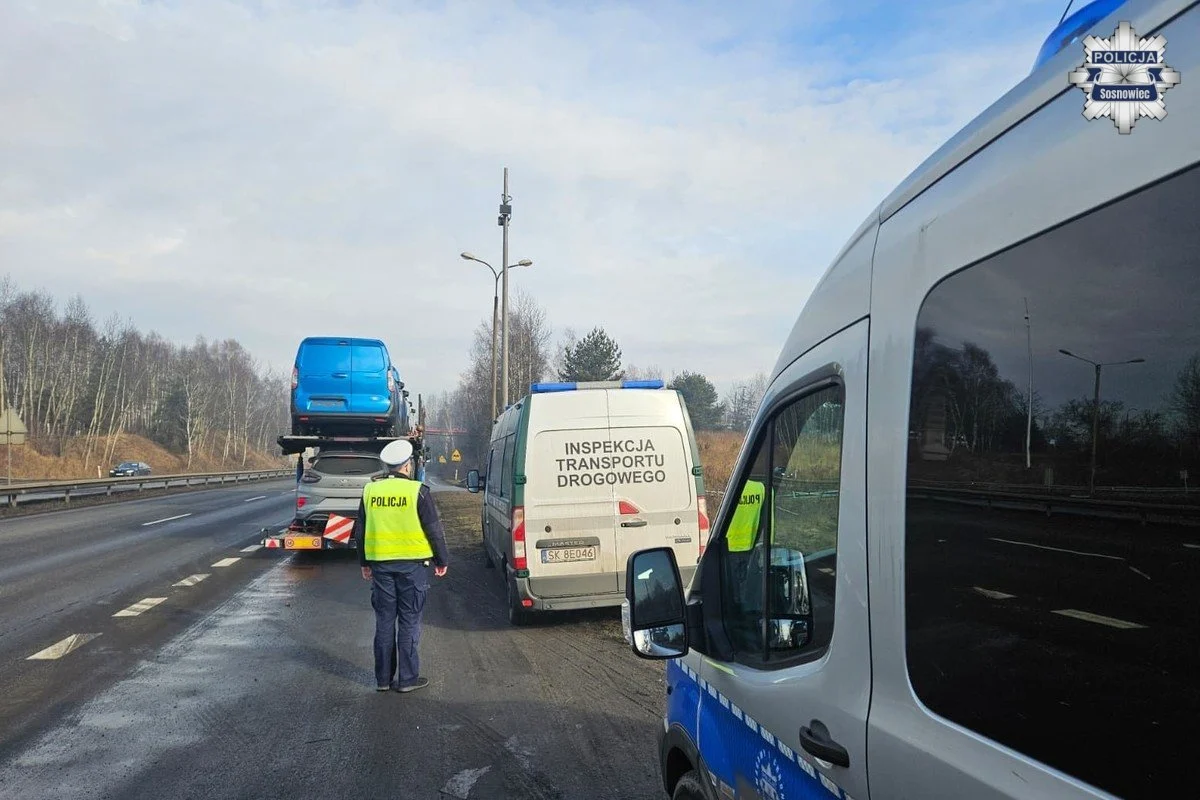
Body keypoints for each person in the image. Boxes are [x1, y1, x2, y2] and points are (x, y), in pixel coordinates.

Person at [352, 439, 449, 693]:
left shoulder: (370, 491)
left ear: (387, 467)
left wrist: (364, 562)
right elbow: (434, 530)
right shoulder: (419, 491)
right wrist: (442, 560)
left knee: (384, 621)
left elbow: (359, 531)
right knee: (408, 621)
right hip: (413, 567)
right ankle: (406, 680)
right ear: (407, 466)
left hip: (381, 567)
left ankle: (383, 680)